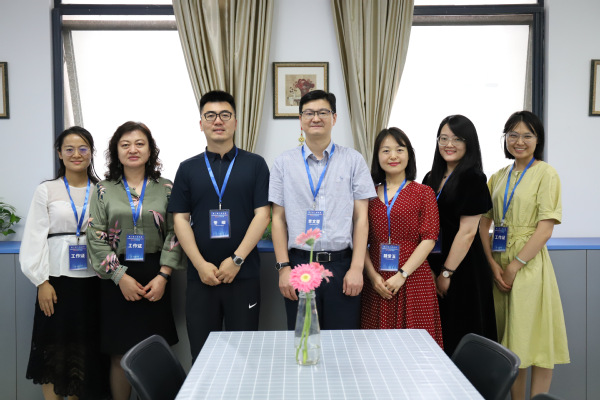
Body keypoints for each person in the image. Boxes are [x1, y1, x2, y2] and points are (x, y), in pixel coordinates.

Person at [169, 90, 270, 361]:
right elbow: (180, 219)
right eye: (210, 115)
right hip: (201, 278)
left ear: (235, 122)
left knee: (245, 356)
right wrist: (200, 265)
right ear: (200, 123)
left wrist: (236, 260)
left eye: (225, 115)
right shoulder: (187, 168)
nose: (218, 121)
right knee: (203, 356)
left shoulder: (256, 165)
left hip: (243, 275)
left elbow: (263, 215)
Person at [87, 121, 184, 400]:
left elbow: (176, 231)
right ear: (116, 151)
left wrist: (163, 276)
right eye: (125, 144)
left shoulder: (166, 187)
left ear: (150, 150)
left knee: (154, 350)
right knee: (119, 353)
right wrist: (120, 277)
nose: (133, 149)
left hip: (156, 273)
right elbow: (95, 235)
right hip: (116, 276)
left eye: (140, 144)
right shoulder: (103, 189)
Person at [479, 111, 569, 400]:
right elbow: (483, 222)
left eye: (527, 135)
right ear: (505, 138)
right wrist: (491, 263)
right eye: (513, 135)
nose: (519, 141)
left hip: (528, 264)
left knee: (535, 338)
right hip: (498, 260)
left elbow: (545, 230)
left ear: (538, 140)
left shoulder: (546, 173)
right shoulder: (498, 176)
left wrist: (515, 266)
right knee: (510, 342)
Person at [270, 90, 376, 330]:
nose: (315, 118)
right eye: (309, 113)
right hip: (300, 265)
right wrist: (283, 268)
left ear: (334, 118)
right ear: (300, 120)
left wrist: (357, 268)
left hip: (342, 266)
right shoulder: (283, 163)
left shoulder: (353, 160)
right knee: (305, 341)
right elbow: (277, 220)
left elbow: (361, 218)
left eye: (322, 112)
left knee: (343, 343)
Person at [20, 126, 110, 400]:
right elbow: (34, 237)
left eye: (83, 148)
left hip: (94, 281)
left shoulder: (103, 190)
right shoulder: (47, 190)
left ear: (91, 152)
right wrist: (41, 282)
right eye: (69, 149)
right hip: (56, 282)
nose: (76, 154)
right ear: (60, 153)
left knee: (85, 350)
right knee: (54, 348)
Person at [422, 115, 497, 356]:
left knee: (462, 335)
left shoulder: (473, 178)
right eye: (443, 138)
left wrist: (446, 273)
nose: (449, 144)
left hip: (463, 269)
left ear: (469, 143)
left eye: (457, 139)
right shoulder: (430, 177)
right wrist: (431, 269)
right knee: (438, 337)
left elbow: (467, 232)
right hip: (434, 264)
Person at [361, 127, 443, 347]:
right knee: (375, 347)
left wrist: (402, 274)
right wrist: (372, 276)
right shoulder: (367, 194)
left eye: (399, 149)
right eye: (386, 150)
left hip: (413, 278)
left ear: (409, 155)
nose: (393, 156)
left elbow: (429, 238)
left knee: (416, 348)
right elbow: (360, 239)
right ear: (377, 156)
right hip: (377, 281)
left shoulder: (424, 192)